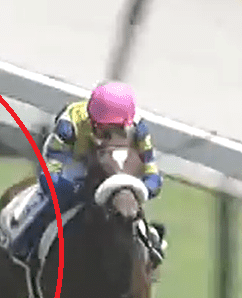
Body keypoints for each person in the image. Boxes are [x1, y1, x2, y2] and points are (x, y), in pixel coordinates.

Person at [12, 81, 165, 267]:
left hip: (116, 166)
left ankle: (150, 241)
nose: (108, 137)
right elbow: (50, 169)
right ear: (92, 120)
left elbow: (152, 173)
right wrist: (73, 188)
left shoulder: (138, 128)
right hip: (74, 160)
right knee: (56, 200)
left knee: (128, 201)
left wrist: (139, 190)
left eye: (117, 131)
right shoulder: (70, 123)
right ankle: (27, 236)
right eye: (104, 129)